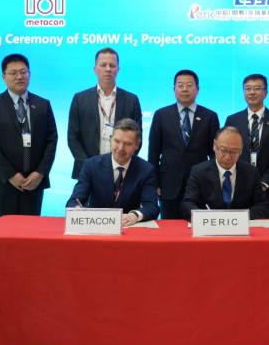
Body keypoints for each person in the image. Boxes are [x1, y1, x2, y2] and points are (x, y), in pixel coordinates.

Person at [0, 54, 58, 220]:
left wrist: (40, 173)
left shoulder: (43, 104)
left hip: (33, 184)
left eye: (23, 72)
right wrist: (10, 175)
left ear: (29, 74)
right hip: (2, 184)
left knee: (29, 232)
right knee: (2, 233)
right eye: (13, 73)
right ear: (3, 77)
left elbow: (51, 140)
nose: (19, 76)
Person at [148, 70, 219, 219]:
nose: (184, 89)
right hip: (169, 183)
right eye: (180, 85)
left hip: (200, 182)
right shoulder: (161, 115)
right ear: (174, 89)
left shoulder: (210, 116)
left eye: (189, 85)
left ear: (197, 89)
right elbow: (153, 152)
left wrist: (214, 182)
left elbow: (214, 154)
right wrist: (155, 183)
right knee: (169, 227)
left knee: (198, 225)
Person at [67, 118, 159, 226]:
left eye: (127, 144)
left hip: (128, 228)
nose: (121, 148)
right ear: (111, 139)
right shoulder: (91, 165)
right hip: (97, 226)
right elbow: (75, 200)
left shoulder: (146, 170)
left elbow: (152, 206)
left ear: (137, 145)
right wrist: (77, 209)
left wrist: (135, 215)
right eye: (117, 141)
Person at [67, 47, 142, 179]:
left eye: (112, 65)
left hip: (122, 172)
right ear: (95, 69)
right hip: (87, 172)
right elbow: (73, 138)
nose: (108, 69)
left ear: (118, 69)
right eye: (103, 65)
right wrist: (88, 168)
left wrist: (122, 164)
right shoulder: (80, 99)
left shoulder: (131, 100)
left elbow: (137, 138)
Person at [225, 74, 269, 218]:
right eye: (248, 88)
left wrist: (265, 183)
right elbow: (226, 152)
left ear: (265, 93)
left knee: (266, 230)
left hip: (268, 190)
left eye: (257, 88)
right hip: (237, 187)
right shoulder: (232, 120)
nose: (252, 92)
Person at [181, 127, 269, 220]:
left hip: (240, 225)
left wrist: (239, 218)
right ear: (214, 145)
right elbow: (187, 204)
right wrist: (207, 218)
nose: (227, 157)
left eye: (234, 151)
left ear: (241, 149)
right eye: (223, 150)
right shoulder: (199, 171)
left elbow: (262, 205)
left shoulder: (251, 172)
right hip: (210, 224)